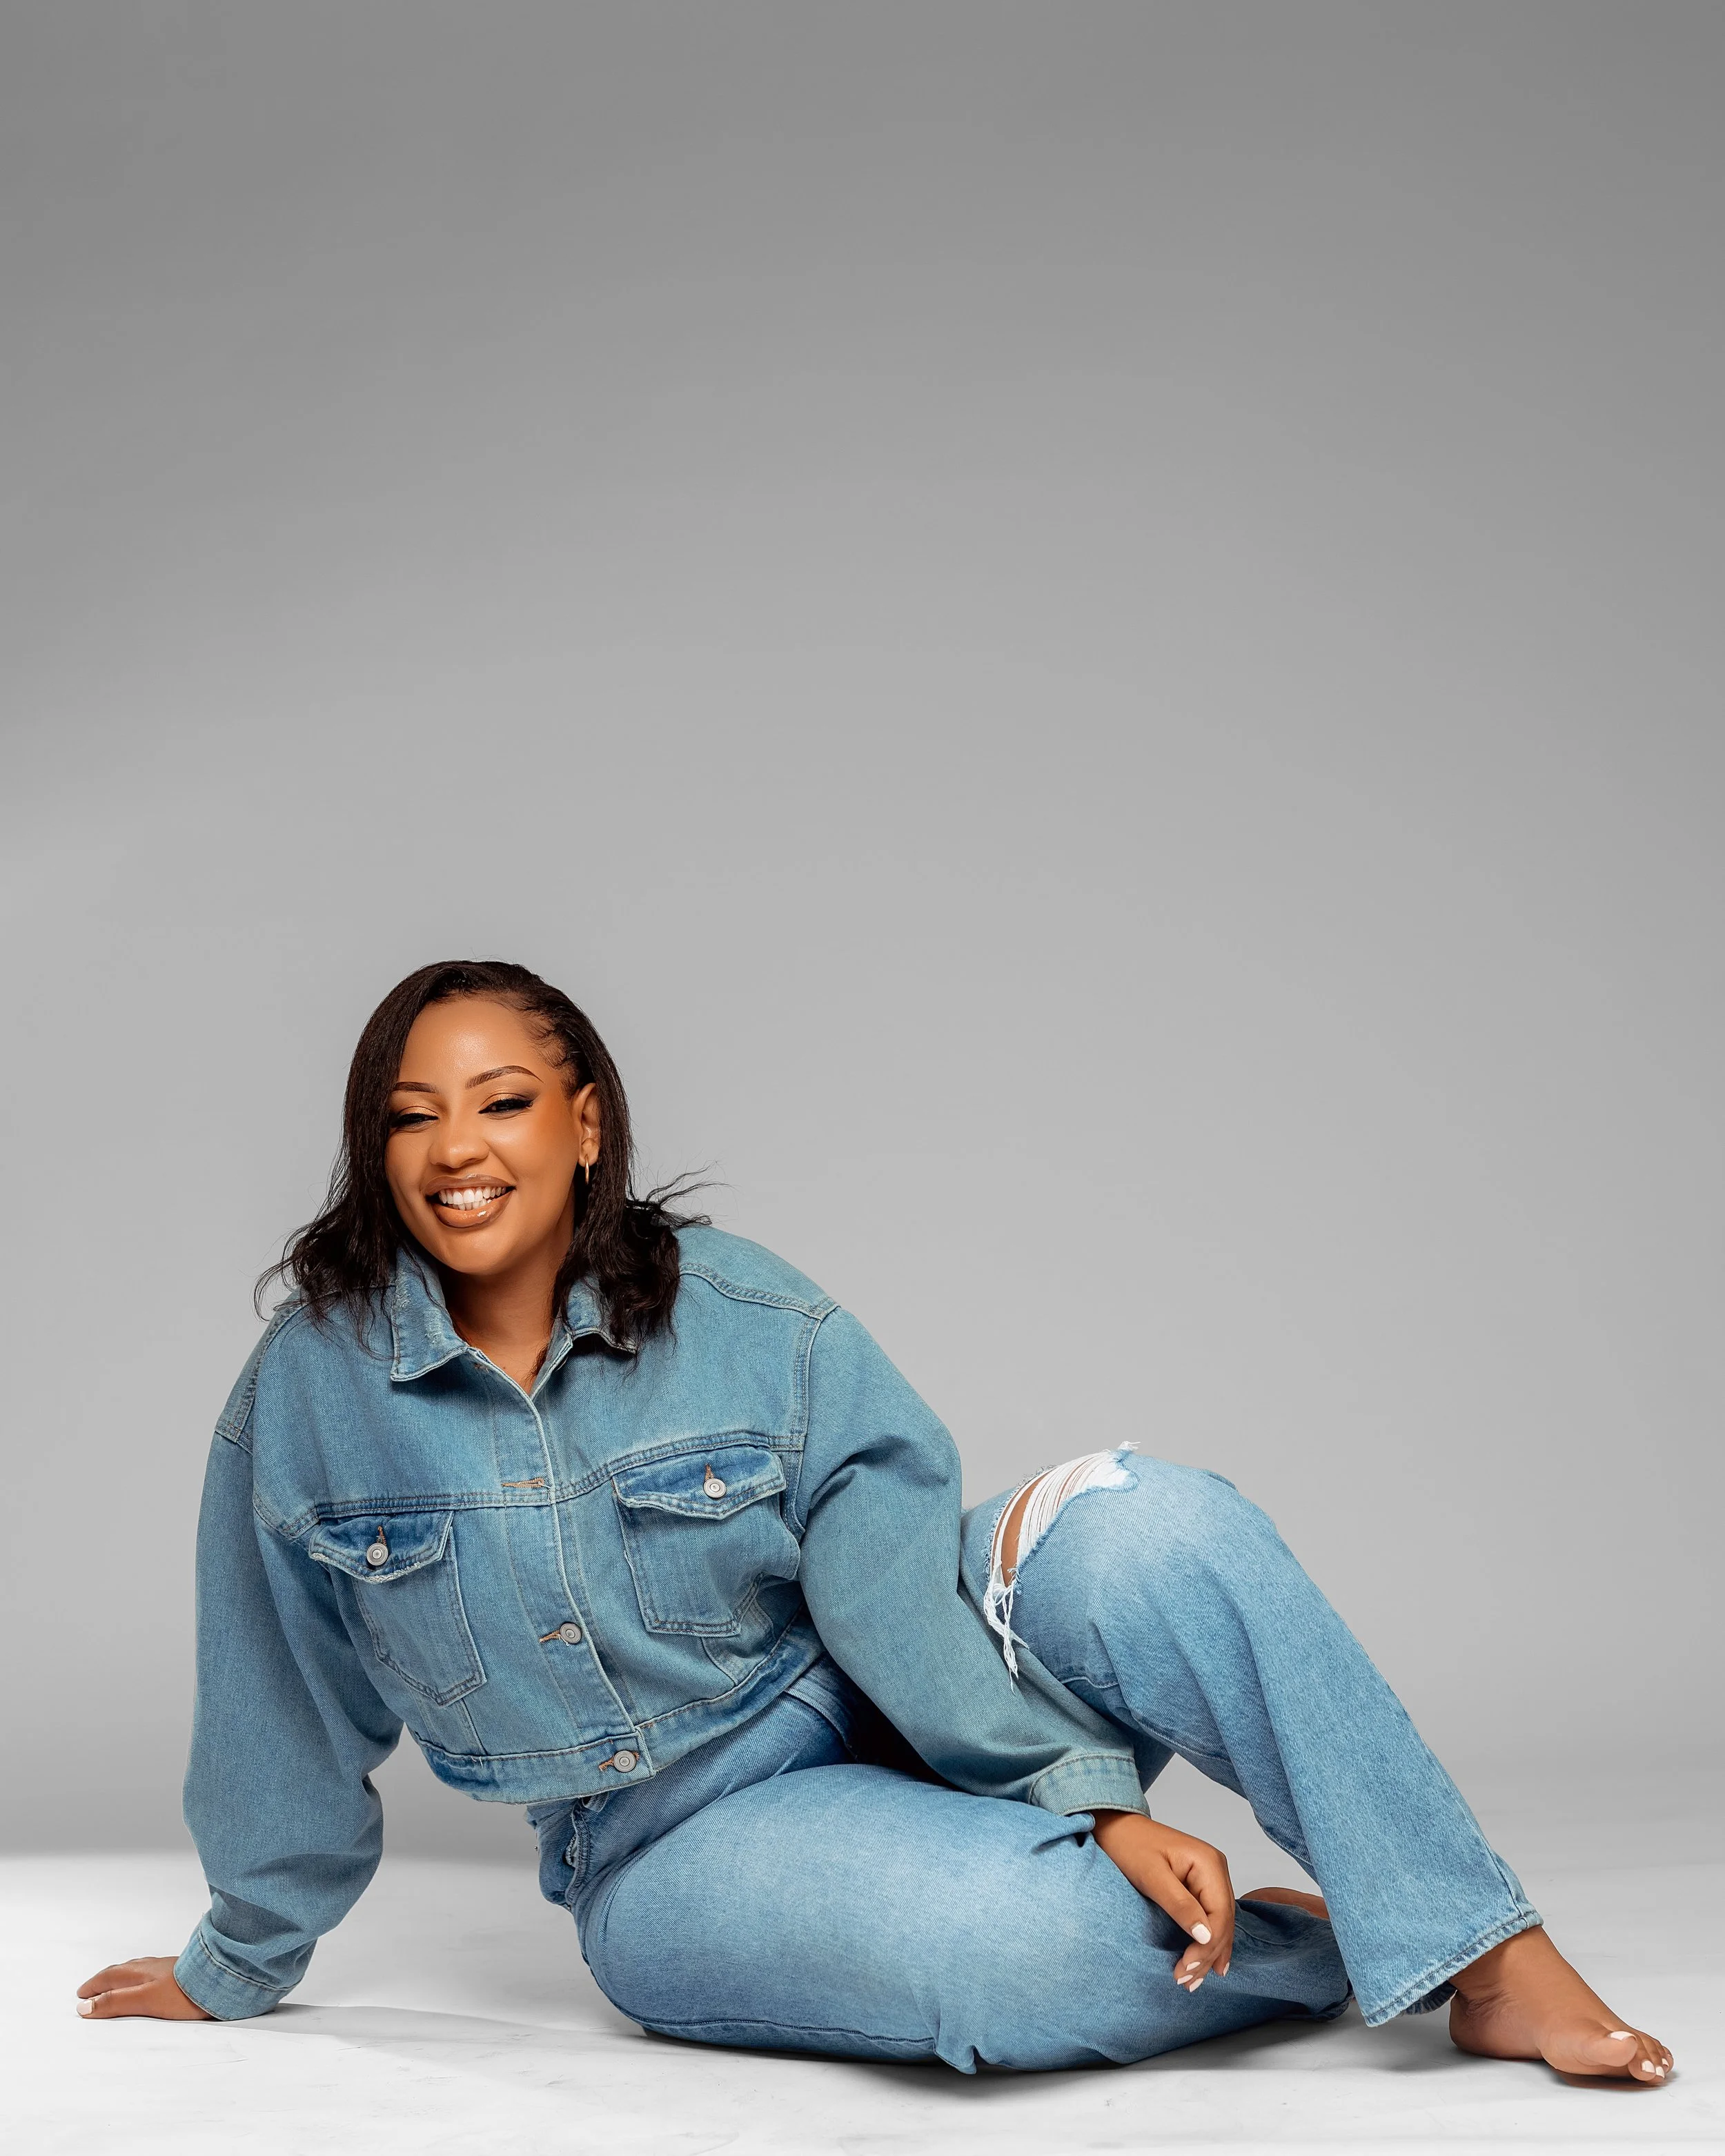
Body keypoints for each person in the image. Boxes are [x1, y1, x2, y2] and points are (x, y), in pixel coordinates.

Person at [76, 960, 1671, 2085]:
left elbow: (888, 1584)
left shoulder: (747, 1313)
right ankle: (1297, 1942)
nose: (454, 1149)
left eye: (499, 1101)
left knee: (1160, 1527)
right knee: (1030, 1962)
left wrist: (1079, 1789)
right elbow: (278, 1691)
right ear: (377, 1145)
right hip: (675, 1837)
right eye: (411, 1114)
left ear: (583, 1122)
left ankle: (1481, 1954)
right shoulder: (310, 1388)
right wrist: (241, 1956)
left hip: (880, 1683)